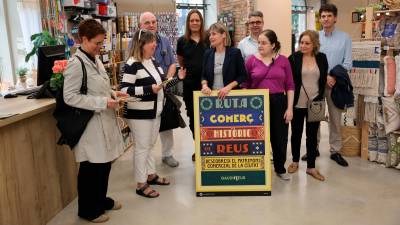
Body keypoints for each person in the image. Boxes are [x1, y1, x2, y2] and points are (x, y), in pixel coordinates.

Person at [63, 19, 126, 223]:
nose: (100, 47)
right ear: (83, 40)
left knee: (104, 164)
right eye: (96, 43)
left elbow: (98, 86)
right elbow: (70, 96)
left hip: (103, 119)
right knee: (91, 167)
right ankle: (88, 209)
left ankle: (100, 199)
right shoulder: (76, 64)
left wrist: (113, 93)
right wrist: (102, 102)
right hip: (90, 123)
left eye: (101, 43)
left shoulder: (94, 59)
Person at [120, 29, 185, 198]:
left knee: (149, 146)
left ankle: (151, 175)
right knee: (142, 148)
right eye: (151, 42)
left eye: (155, 41)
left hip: (155, 112)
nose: (155, 44)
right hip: (139, 114)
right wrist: (149, 89)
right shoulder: (132, 63)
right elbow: (125, 89)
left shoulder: (153, 61)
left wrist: (178, 77)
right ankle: (141, 184)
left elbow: (162, 83)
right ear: (141, 45)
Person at [301, 4, 352, 167]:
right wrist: (324, 77)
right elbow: (309, 58)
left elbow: (348, 63)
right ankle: (313, 148)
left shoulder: (345, 38)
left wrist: (333, 77)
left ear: (335, 18)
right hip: (316, 84)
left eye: (329, 15)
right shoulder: (315, 38)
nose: (326, 19)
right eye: (323, 16)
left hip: (336, 85)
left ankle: (335, 150)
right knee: (314, 117)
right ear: (320, 19)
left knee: (335, 119)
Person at [243, 29, 295, 180]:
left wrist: (289, 108)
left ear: (273, 45)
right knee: (257, 136)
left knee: (280, 137)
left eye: (264, 43)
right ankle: (257, 168)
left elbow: (290, 85)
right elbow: (245, 84)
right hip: (257, 103)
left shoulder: (284, 61)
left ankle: (280, 168)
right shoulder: (251, 60)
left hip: (279, 101)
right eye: (259, 42)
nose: (260, 45)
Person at [138, 12, 179, 167]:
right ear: (140, 25)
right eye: (147, 22)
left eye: (154, 21)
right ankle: (145, 160)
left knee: (166, 123)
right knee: (147, 127)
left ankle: (167, 154)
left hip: (164, 89)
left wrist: (167, 81)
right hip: (146, 90)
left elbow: (172, 63)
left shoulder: (164, 40)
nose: (151, 25)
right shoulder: (135, 43)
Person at [288, 30, 328, 181]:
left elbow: (323, 79)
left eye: (307, 43)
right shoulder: (293, 58)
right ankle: (295, 161)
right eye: (301, 43)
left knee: (312, 136)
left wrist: (320, 97)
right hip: (298, 103)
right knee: (296, 134)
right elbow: (288, 80)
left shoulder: (321, 58)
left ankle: (311, 167)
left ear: (314, 44)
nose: (303, 46)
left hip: (315, 103)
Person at [176, 9, 209, 161]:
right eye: (192, 20)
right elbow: (181, 61)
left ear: (201, 22)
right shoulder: (182, 41)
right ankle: (199, 147)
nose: (195, 23)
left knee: (209, 117)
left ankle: (210, 147)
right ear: (188, 23)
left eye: (197, 20)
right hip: (190, 86)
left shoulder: (208, 39)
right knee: (194, 118)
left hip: (208, 85)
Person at [200, 22, 247, 99]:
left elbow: (242, 76)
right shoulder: (207, 54)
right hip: (212, 96)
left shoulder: (235, 53)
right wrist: (204, 86)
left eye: (214, 34)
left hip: (231, 96)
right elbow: (203, 75)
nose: (210, 37)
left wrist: (228, 87)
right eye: (210, 34)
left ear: (223, 35)